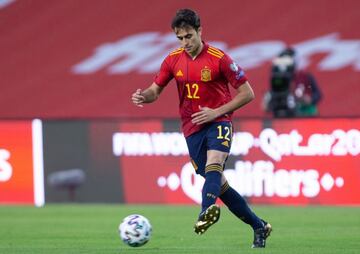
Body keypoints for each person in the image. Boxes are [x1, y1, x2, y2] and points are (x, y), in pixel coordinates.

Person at [131, 8, 272, 248]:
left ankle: (205, 212)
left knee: (214, 164)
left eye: (189, 36)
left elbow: (247, 93)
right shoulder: (172, 60)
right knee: (221, 186)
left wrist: (217, 112)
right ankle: (259, 227)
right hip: (192, 128)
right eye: (180, 38)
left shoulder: (220, 58)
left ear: (200, 31)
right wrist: (144, 96)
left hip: (219, 121)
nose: (185, 42)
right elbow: (155, 90)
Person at [264, 47, 322, 117]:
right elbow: (272, 97)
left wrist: (310, 99)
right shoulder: (278, 79)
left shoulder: (305, 76)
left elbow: (318, 94)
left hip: (305, 112)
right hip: (284, 114)